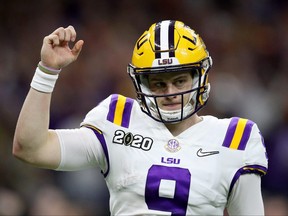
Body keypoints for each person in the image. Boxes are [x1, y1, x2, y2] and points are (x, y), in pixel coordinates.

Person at [13, 20, 268, 215]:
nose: (170, 93)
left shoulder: (236, 139)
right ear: (141, 84)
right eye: (158, 83)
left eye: (179, 81)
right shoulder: (118, 118)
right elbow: (30, 148)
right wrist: (47, 71)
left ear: (198, 77)